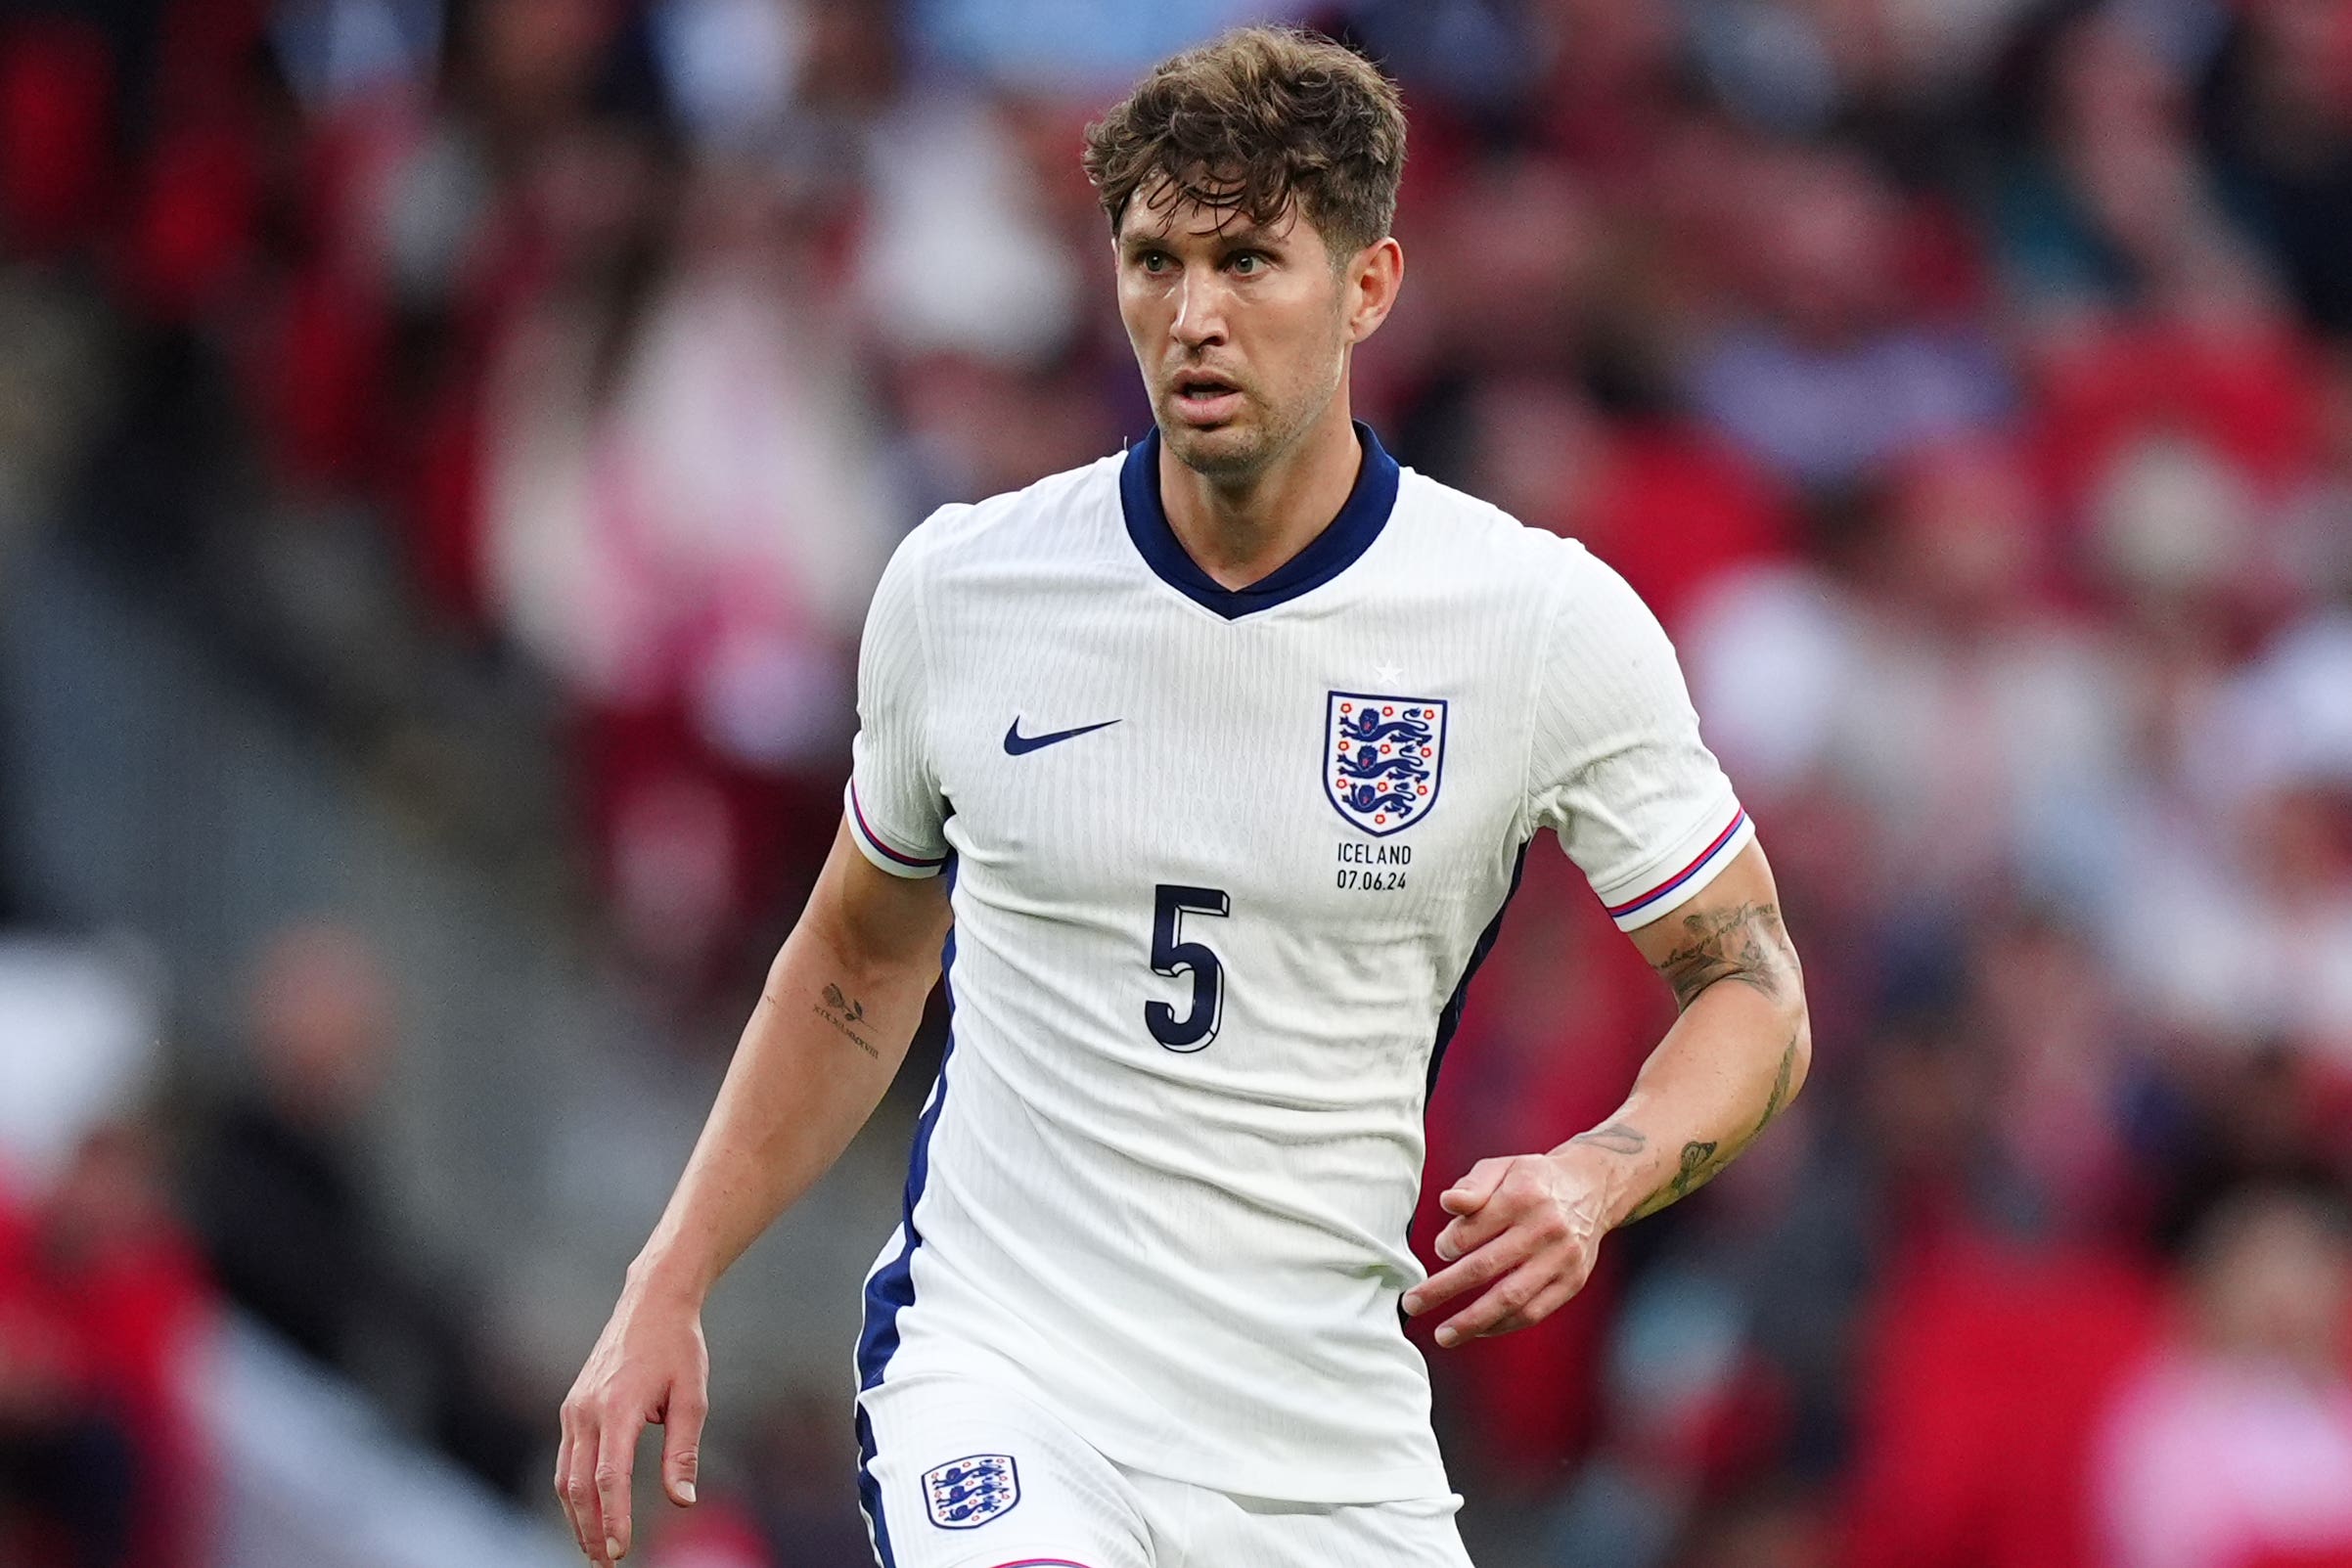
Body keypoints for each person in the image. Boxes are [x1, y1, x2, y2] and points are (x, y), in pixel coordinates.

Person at [557, 26, 1811, 1568]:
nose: (1193, 315)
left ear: (1369, 286)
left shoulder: (1538, 625)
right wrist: (669, 1277)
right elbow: (855, 961)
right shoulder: (969, 587)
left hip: (1320, 1444)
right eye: (1155, 260)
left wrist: (1596, 1172)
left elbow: (1754, 990)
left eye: (1247, 261)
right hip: (1010, 1383)